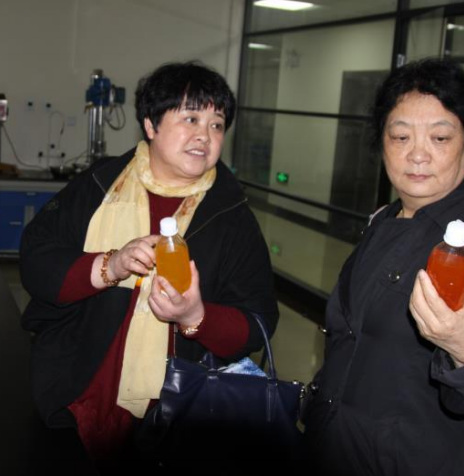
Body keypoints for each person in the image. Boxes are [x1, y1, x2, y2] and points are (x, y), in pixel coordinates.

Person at [19, 61, 279, 470]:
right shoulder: (101, 185)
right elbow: (36, 259)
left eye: (216, 124)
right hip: (75, 396)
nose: (205, 135)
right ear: (150, 125)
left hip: (177, 417)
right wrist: (110, 265)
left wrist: (195, 316)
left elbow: (258, 322)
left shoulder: (231, 215)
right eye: (190, 118)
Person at [303, 58, 464, 475]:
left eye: (440, 137)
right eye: (400, 136)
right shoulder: (383, 220)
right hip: (333, 442)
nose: (417, 154)